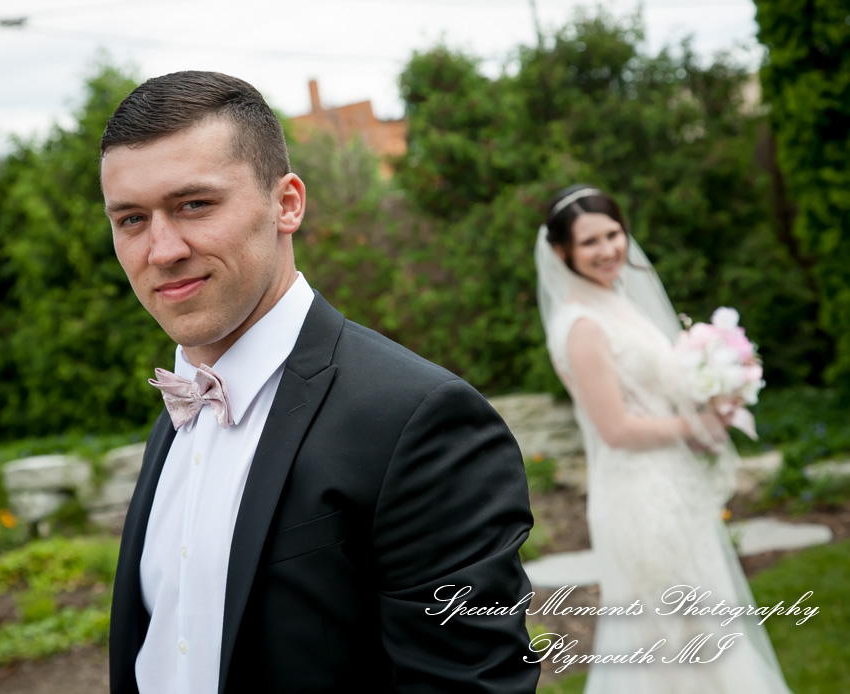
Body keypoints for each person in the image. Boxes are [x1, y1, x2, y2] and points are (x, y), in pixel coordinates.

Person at [101, 71, 539, 693]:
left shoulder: (417, 421)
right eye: (131, 219)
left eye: (193, 204)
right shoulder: (175, 419)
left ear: (287, 204)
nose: (162, 248)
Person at [535, 184, 793, 693]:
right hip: (639, 498)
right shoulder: (581, 325)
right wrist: (697, 428)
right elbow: (615, 428)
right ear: (562, 251)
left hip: (671, 485)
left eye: (614, 234)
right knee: (669, 640)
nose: (608, 249)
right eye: (590, 242)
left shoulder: (617, 301)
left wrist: (715, 388)